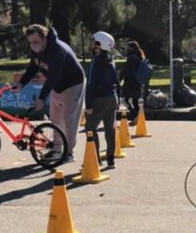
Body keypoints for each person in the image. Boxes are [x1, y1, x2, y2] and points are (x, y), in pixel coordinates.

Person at [13, 24, 85, 163]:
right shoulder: (37, 49)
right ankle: (57, 149)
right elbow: (33, 67)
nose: (33, 46)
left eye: (35, 42)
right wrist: (22, 82)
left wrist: (41, 98)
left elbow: (53, 76)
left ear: (44, 38)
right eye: (30, 42)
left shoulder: (57, 50)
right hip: (57, 85)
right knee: (56, 118)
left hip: (73, 84)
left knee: (70, 119)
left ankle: (69, 153)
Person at [84, 31, 120, 169]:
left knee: (90, 129)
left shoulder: (96, 62)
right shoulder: (112, 61)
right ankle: (111, 159)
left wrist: (88, 105)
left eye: (94, 42)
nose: (92, 45)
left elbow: (91, 83)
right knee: (110, 129)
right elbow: (117, 82)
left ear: (100, 44)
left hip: (99, 99)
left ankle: (96, 159)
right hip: (113, 98)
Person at [121, 40, 146, 124]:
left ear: (132, 48)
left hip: (130, 83)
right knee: (135, 101)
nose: (127, 49)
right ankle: (139, 117)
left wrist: (119, 78)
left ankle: (135, 115)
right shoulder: (139, 56)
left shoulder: (132, 58)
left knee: (124, 100)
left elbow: (126, 70)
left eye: (128, 48)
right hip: (137, 82)